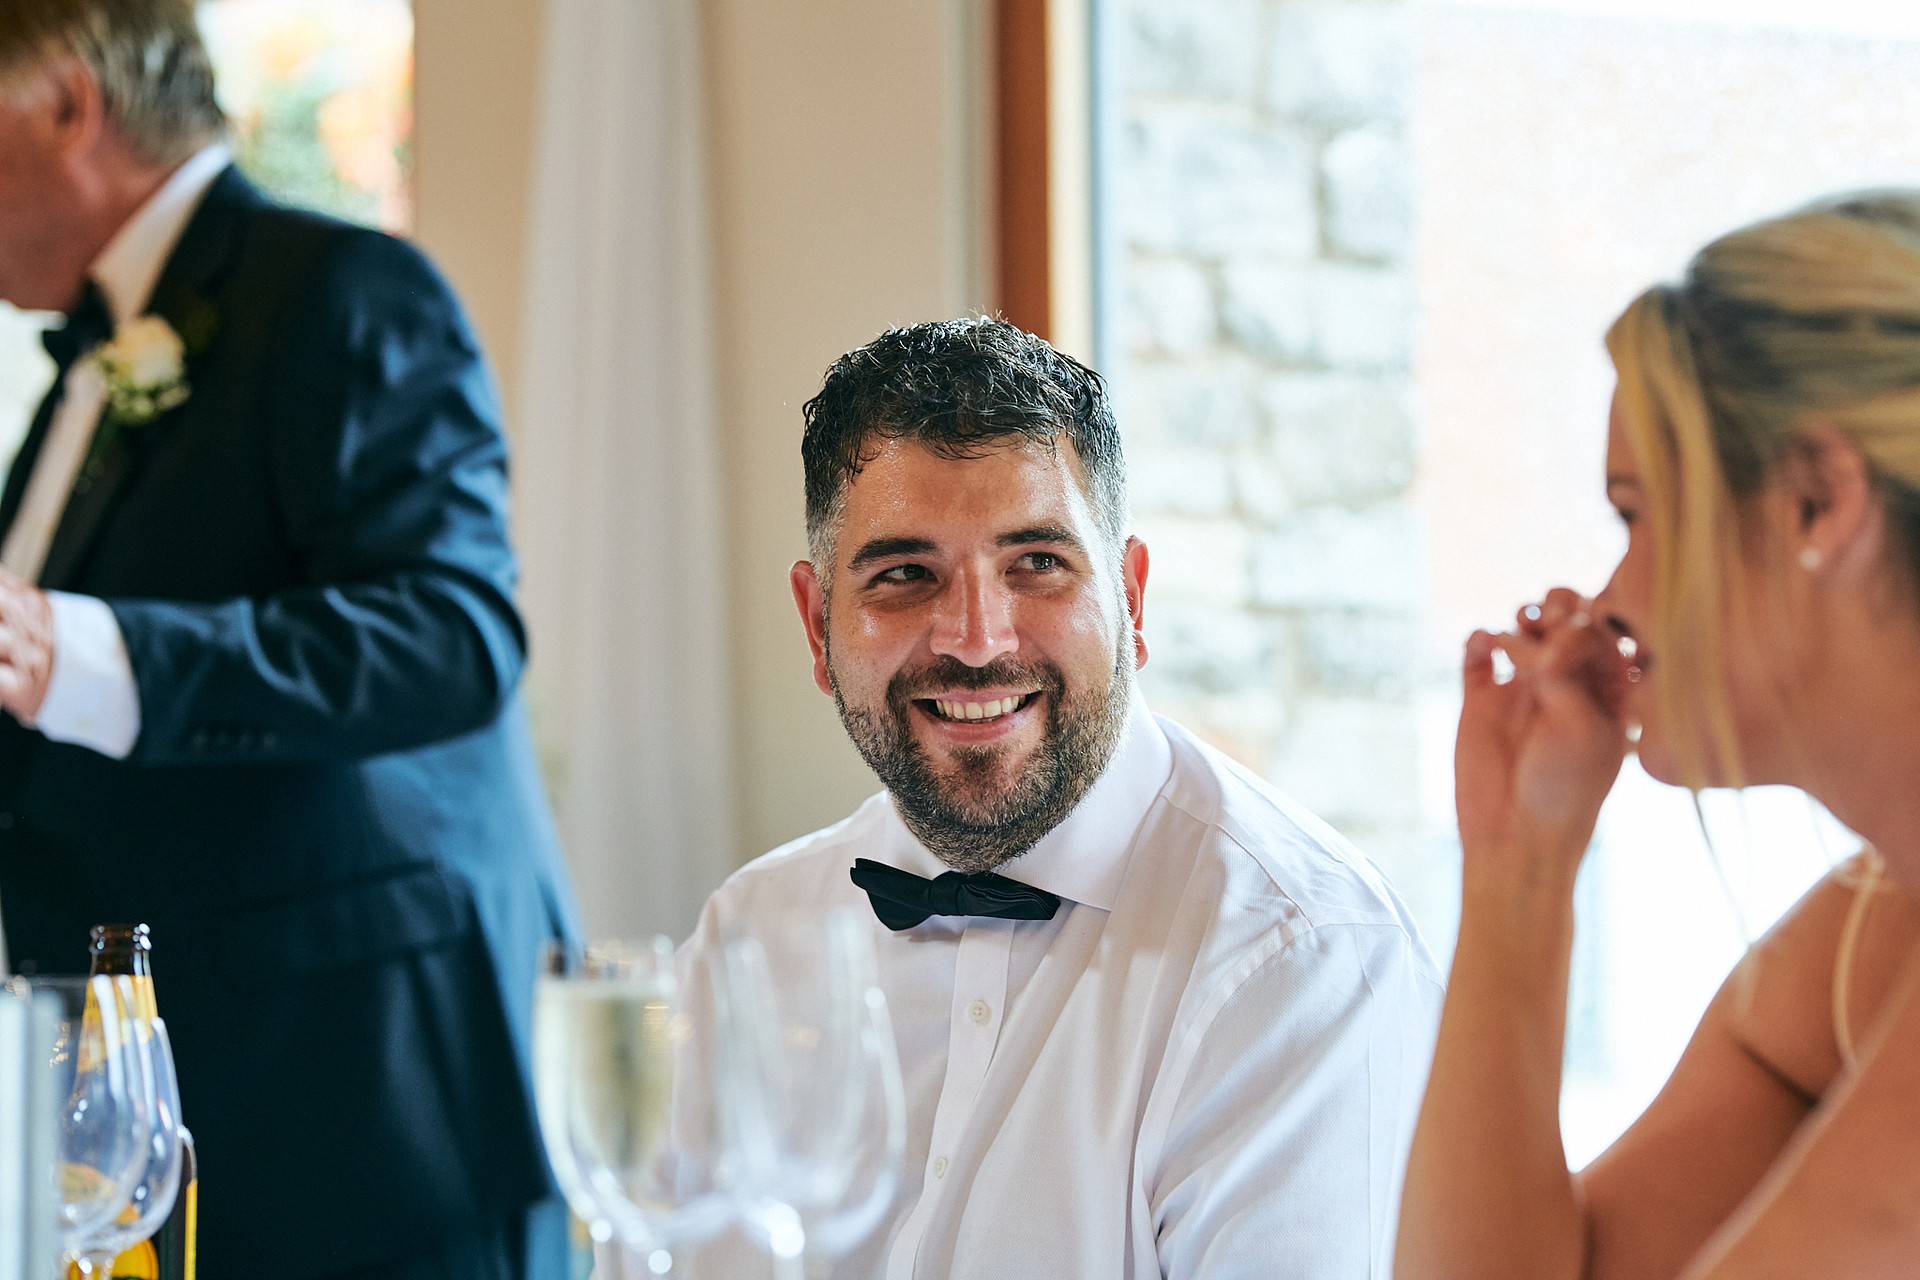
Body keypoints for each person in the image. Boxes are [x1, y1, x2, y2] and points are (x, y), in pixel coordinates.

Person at [617, 318, 1444, 1278]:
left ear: (1132, 600)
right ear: (817, 626)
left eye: (1037, 563)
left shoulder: (1300, 961)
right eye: (904, 575)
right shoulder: (750, 936)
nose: (976, 639)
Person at [0, 3, 580, 1278]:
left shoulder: (344, 288)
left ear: (64, 102)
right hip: (166, 1106)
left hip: (367, 1104)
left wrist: (66, 652)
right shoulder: (82, 372)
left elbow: (453, 634)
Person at [1395, 194, 1920, 1279]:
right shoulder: (1868, 933)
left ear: (1817, 502)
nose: (1610, 599)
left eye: (1637, 516)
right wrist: (1518, 865)